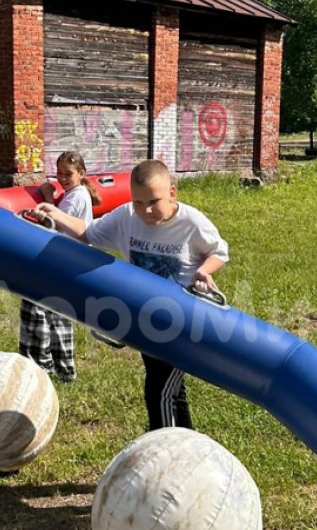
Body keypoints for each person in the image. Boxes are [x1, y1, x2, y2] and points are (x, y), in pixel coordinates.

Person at [34, 159, 228, 430]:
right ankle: (187, 440)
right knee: (170, 388)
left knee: (158, 389)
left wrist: (204, 271)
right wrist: (56, 213)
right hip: (146, 317)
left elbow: (219, 251)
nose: (146, 210)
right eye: (138, 202)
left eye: (154, 201)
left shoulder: (191, 222)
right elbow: (88, 234)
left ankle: (165, 445)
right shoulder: (126, 217)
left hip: (182, 318)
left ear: (172, 192)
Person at [18, 151, 100, 382]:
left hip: (61, 261)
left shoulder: (77, 196)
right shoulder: (75, 193)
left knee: (34, 307)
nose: (62, 178)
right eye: (59, 173)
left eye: (68, 174)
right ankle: (63, 369)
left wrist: (42, 204)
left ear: (81, 173)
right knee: (57, 313)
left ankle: (39, 367)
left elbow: (55, 224)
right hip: (66, 262)